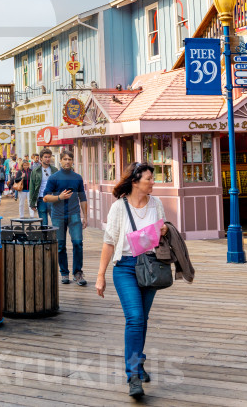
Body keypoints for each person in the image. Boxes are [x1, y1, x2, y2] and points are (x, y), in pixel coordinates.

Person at [95, 162, 169, 400]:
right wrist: (100, 275)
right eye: (149, 178)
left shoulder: (156, 204)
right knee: (135, 318)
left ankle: (138, 361)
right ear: (136, 181)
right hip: (125, 267)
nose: (153, 182)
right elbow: (109, 241)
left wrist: (164, 230)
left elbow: (161, 234)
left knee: (142, 320)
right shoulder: (119, 207)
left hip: (150, 267)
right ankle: (133, 376)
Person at [43, 150, 88, 285]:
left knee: (78, 243)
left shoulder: (77, 178)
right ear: (60, 161)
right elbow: (45, 198)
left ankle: (77, 273)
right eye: (65, 159)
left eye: (70, 159)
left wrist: (85, 216)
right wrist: (59, 197)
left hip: (74, 215)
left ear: (72, 161)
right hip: (58, 215)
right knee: (60, 246)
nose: (67, 161)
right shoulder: (54, 178)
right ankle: (64, 273)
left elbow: (83, 198)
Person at [28, 149, 57, 227]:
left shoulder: (54, 170)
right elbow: (32, 187)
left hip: (53, 199)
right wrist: (32, 203)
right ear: (41, 158)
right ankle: (44, 238)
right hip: (41, 200)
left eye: (49, 157)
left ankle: (55, 239)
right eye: (45, 157)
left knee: (56, 223)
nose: (47, 159)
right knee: (44, 225)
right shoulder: (35, 171)